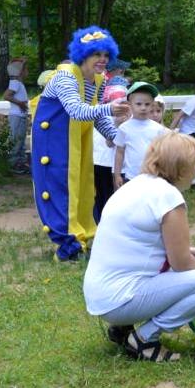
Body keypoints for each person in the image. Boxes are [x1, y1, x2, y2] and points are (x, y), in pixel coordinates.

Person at [84, 131, 195, 362]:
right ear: (179, 168)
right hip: (120, 300)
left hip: (101, 295)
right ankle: (144, 339)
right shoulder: (168, 197)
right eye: (194, 163)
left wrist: (186, 250)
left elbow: (138, 241)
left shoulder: (136, 186)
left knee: (186, 274)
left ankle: (122, 328)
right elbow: (182, 265)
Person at [31, 25, 131, 261]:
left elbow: (96, 115)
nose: (103, 60)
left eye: (106, 55)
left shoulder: (97, 79)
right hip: (55, 138)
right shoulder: (66, 76)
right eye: (97, 54)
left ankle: (83, 236)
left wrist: (116, 137)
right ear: (83, 55)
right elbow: (76, 110)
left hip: (76, 137)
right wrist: (110, 108)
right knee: (61, 185)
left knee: (84, 186)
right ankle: (67, 246)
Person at [113, 82, 169, 189]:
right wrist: (117, 174)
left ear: (152, 104)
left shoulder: (158, 129)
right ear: (130, 104)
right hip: (131, 177)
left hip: (153, 176)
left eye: (147, 104)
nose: (143, 108)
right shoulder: (124, 128)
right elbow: (119, 152)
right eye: (138, 104)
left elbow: (163, 153)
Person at [93, 84, 128, 222]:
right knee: (103, 196)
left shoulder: (129, 119)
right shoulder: (103, 118)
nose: (121, 108)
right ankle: (101, 222)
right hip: (101, 163)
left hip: (119, 166)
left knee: (118, 196)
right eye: (117, 103)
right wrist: (117, 126)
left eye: (124, 103)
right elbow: (110, 142)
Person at [4, 58, 30, 175]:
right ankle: (14, 164)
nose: (27, 71)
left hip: (21, 116)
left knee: (21, 140)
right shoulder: (15, 83)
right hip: (17, 116)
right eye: (25, 69)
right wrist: (20, 103)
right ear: (20, 71)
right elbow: (6, 96)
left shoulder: (18, 83)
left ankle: (21, 163)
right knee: (17, 141)